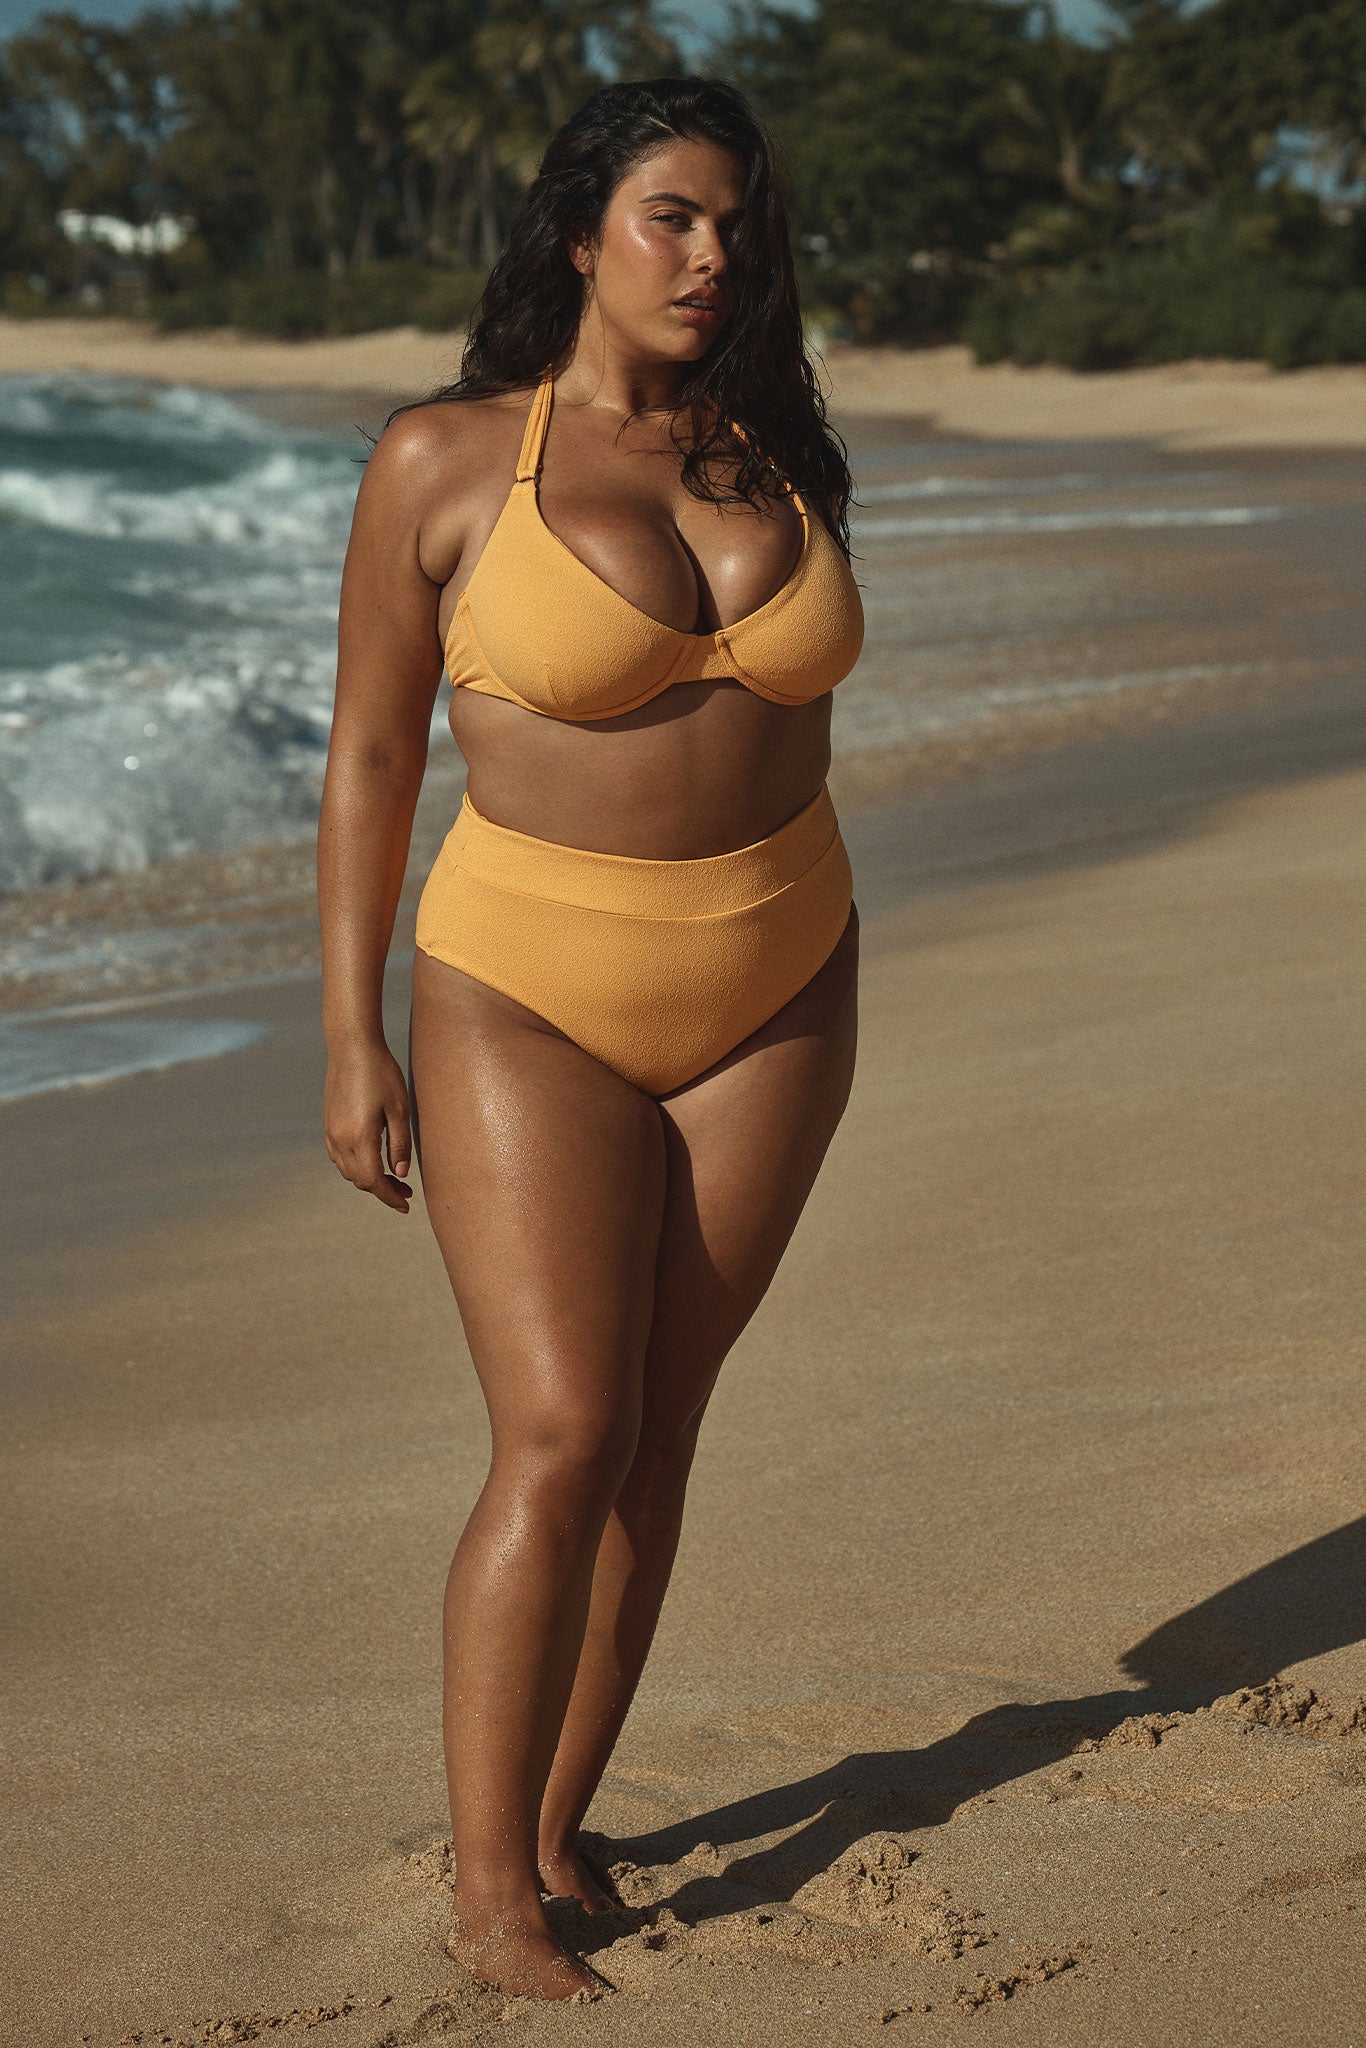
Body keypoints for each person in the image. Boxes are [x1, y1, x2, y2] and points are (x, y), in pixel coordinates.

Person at [317, 75, 865, 2003]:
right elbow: (375, 752)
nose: (713, 255)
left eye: (736, 224)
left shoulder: (771, 448)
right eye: (671, 218)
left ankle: (557, 1827)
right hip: (524, 990)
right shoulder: (447, 462)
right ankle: (486, 1899)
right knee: (557, 1429)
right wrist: (349, 1030)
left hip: (779, 977)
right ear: (579, 235)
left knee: (655, 1438)